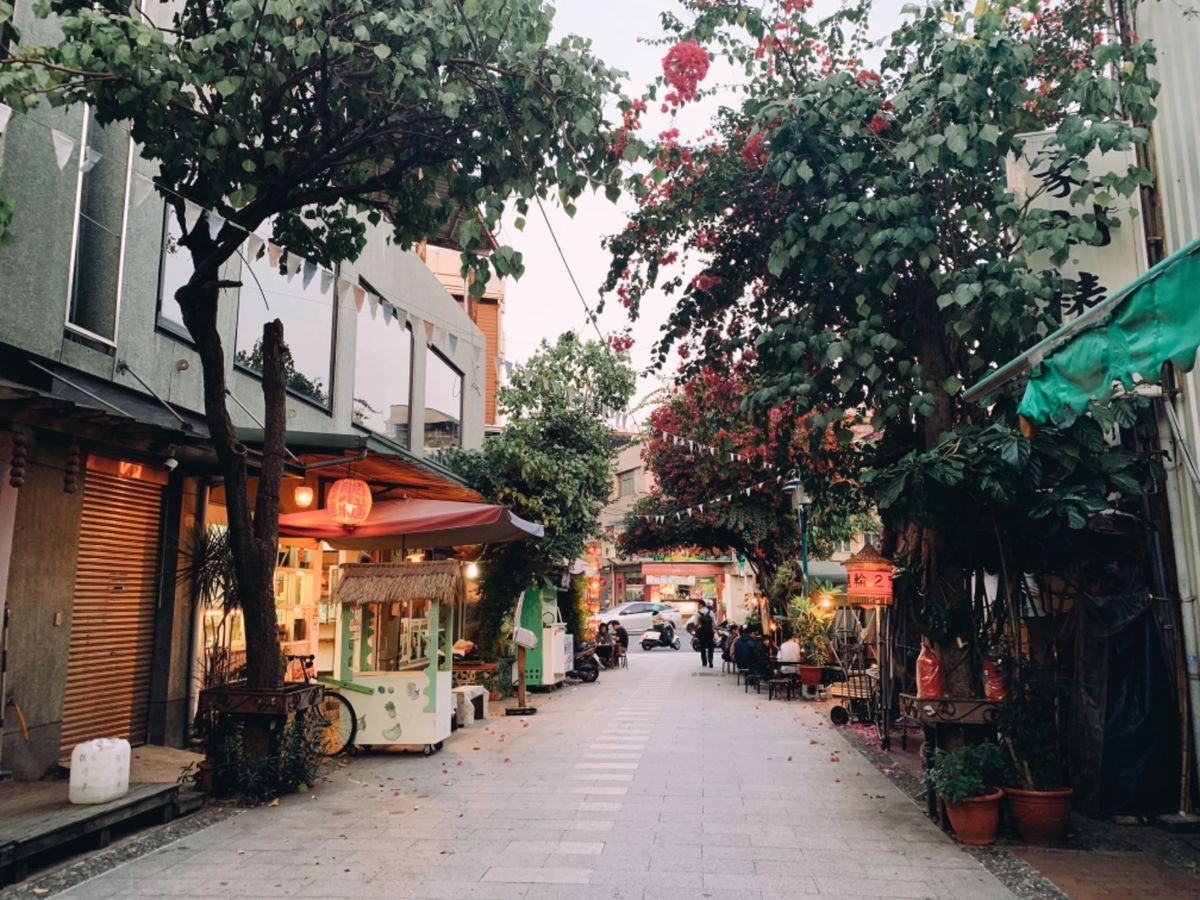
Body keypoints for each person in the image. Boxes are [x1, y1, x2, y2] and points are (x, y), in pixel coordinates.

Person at [689, 601, 717, 668]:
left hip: (702, 632)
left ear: (701, 605)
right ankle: (711, 661)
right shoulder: (710, 612)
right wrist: (713, 630)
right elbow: (714, 623)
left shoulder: (698, 613)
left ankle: (704, 662)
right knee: (710, 647)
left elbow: (695, 624)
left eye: (698, 604)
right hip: (710, 632)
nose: (698, 606)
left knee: (703, 647)